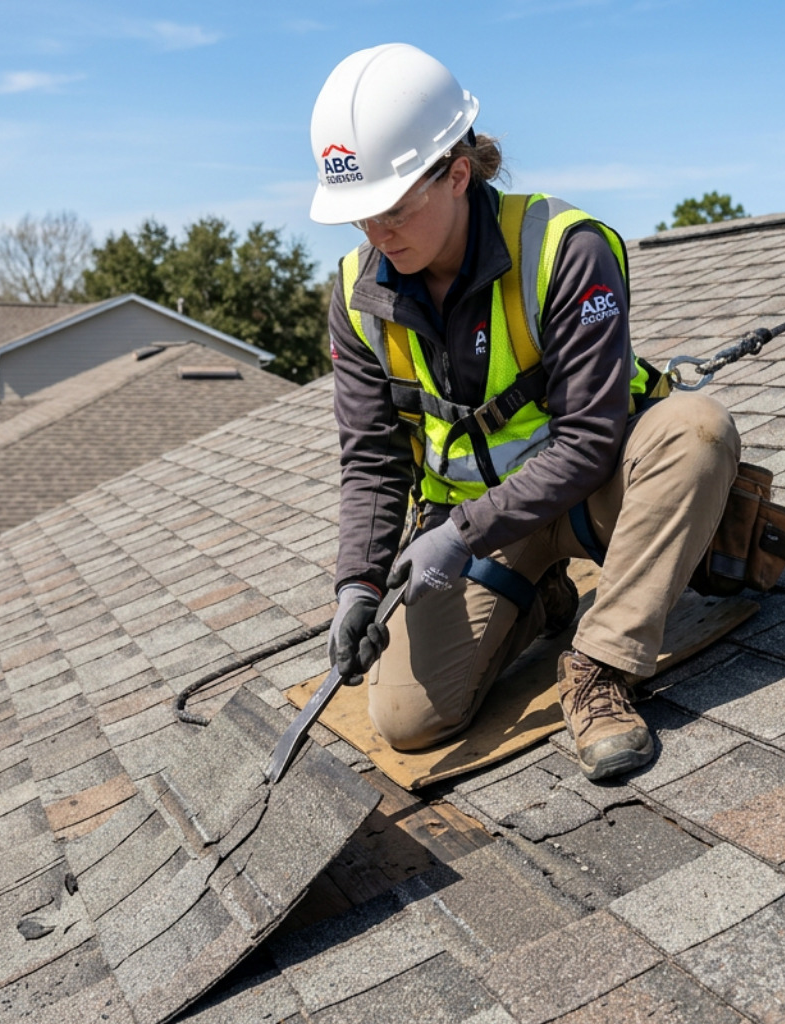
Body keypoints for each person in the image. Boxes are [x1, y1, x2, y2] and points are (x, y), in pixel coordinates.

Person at [315, 43, 739, 782]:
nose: (375, 235)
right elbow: (373, 464)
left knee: (697, 433)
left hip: (598, 493)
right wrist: (358, 582)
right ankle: (536, 601)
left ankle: (602, 666)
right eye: (359, 217)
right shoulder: (359, 297)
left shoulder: (563, 249)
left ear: (455, 174)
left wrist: (461, 536)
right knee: (409, 721)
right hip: (479, 529)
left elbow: (592, 439)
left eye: (391, 209)